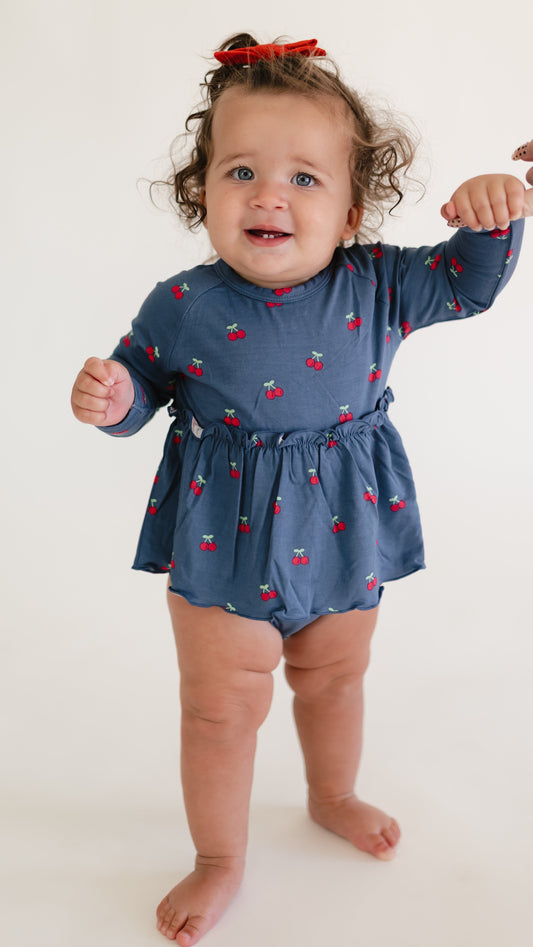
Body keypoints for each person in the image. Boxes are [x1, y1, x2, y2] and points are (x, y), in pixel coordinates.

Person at [71, 34, 531, 946]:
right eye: (239, 170)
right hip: (221, 536)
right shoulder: (181, 302)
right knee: (217, 706)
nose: (268, 193)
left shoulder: (383, 283)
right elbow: (140, 387)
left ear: (354, 209)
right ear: (202, 190)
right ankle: (218, 856)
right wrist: (114, 399)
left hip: (342, 527)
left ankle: (332, 793)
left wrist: (494, 215)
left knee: (333, 679)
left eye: (304, 179)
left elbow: (471, 285)